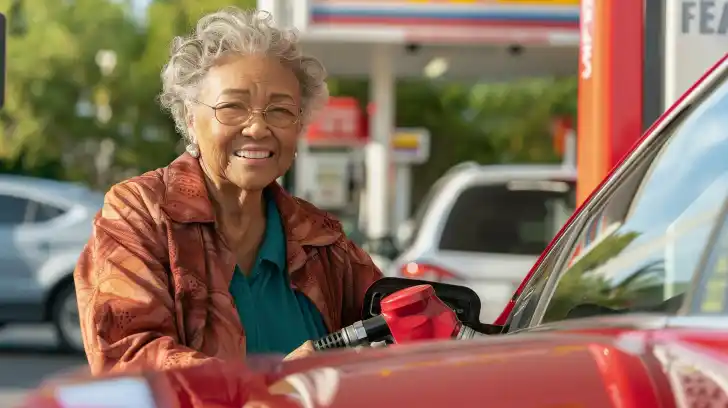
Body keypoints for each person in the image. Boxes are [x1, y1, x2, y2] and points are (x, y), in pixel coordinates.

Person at [74, 7, 383, 375]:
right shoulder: (140, 212)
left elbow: (401, 329)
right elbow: (129, 357)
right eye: (232, 107)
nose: (257, 127)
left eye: (281, 110)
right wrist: (269, 385)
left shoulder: (321, 238)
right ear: (191, 118)